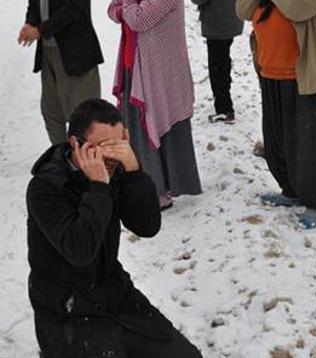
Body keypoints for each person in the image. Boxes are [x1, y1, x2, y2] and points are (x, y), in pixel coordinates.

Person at [26, 99, 202, 358]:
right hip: (65, 309)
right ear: (75, 143)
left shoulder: (117, 168)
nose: (111, 156)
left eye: (117, 145)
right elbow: (79, 250)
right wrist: (98, 187)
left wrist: (133, 172)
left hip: (112, 291)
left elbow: (147, 226)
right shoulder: (45, 188)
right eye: (100, 147)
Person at [236, 0, 316, 229]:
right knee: (280, 141)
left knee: (310, 146)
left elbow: (298, 8)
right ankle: (291, 191)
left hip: (307, 80)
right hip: (271, 75)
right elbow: (242, 9)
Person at [107, 0, 202, 209]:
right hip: (135, 68)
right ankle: (147, 185)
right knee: (136, 130)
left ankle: (161, 189)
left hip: (159, 74)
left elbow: (138, 19)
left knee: (157, 125)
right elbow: (112, 11)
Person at [18, 0, 103, 145]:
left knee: (84, 114)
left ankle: (91, 162)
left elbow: (72, 8)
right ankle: (63, 158)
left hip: (75, 54)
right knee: (51, 113)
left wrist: (39, 30)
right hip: (48, 53)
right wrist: (30, 24)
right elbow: (34, 6)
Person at [190, 0, 254, 124]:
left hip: (215, 24)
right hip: (234, 20)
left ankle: (224, 109)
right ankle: (225, 102)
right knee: (223, 60)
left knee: (217, 65)